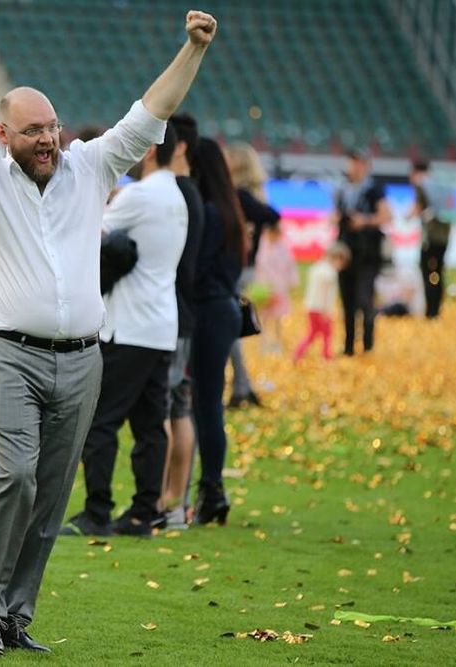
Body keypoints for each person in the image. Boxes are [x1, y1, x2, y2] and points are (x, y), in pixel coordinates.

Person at [0, 9, 217, 655]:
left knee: (51, 496)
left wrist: (191, 49)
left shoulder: (92, 168)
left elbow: (149, 110)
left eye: (52, 126)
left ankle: (17, 614)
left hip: (83, 359)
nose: (48, 138)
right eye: (33, 130)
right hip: (12, 354)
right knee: (14, 476)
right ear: (4, 134)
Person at [61, 124, 187, 538]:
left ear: (151, 150)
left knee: (101, 421)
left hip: (128, 324)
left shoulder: (139, 196)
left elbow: (87, 230)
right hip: (161, 324)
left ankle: (97, 511)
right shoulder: (176, 197)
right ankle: (143, 510)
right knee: (151, 425)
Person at [190, 136, 246, 527]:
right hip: (224, 308)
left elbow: (195, 269)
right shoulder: (231, 211)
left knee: (205, 405)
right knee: (210, 405)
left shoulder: (208, 212)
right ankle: (213, 488)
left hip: (208, 310)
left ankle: (211, 488)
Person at [158, 113, 204, 530]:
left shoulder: (175, 194)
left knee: (167, 408)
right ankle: (175, 502)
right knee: (178, 407)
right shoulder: (193, 194)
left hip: (169, 316)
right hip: (183, 314)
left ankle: (165, 502)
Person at [224, 141, 276, 406]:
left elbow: (272, 215)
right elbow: (271, 216)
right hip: (246, 269)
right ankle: (241, 384)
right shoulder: (250, 196)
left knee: (230, 329)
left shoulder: (240, 195)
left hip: (238, 269)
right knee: (232, 329)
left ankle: (241, 385)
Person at [332, 149, 390, 355]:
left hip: (367, 254)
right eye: (352, 163)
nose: (354, 168)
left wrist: (363, 221)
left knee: (364, 299)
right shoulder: (342, 189)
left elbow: (386, 216)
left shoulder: (374, 190)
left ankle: (367, 344)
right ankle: (348, 345)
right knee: (347, 300)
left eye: (359, 163)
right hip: (345, 253)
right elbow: (335, 216)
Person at [409, 158, 452, 319]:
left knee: (428, 274)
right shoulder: (442, 186)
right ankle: (437, 310)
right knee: (438, 273)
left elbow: (419, 207)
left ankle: (430, 311)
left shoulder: (421, 186)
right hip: (443, 237)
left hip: (429, 238)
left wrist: (409, 215)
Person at [293, 242, 350, 362]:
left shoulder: (317, 267)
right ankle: (325, 354)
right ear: (337, 259)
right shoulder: (329, 274)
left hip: (312, 306)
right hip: (321, 309)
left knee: (317, 332)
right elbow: (327, 295)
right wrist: (326, 311)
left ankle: (303, 353)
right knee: (323, 333)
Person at [254, 218, 298, 353]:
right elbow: (260, 266)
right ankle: (264, 342)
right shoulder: (264, 245)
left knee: (278, 317)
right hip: (266, 288)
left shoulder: (283, 247)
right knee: (265, 317)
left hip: (280, 287)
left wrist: (292, 281)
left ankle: (277, 343)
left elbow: (290, 265)